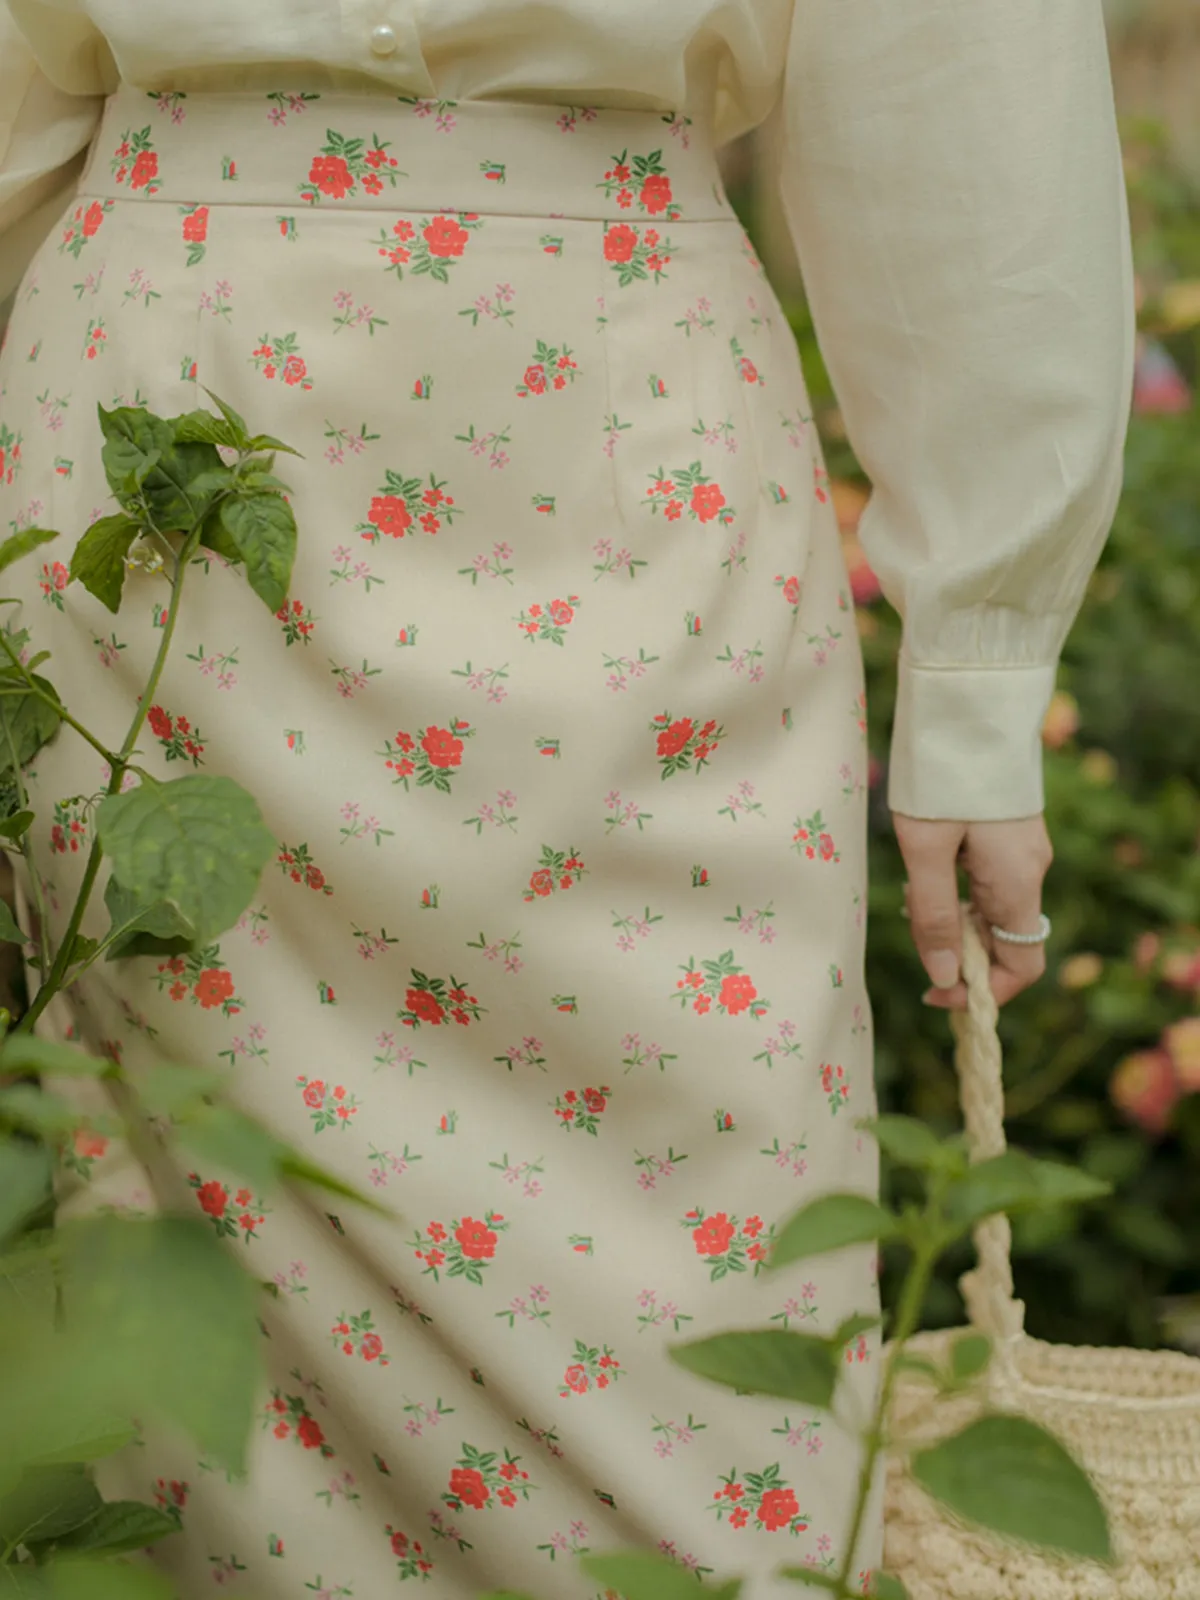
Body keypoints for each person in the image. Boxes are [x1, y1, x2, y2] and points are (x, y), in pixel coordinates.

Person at [0, 1, 1134, 1595]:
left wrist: (986, 663)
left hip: (633, 506)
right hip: (155, 499)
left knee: (712, 1354)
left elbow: (951, 50)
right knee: (180, 1385)